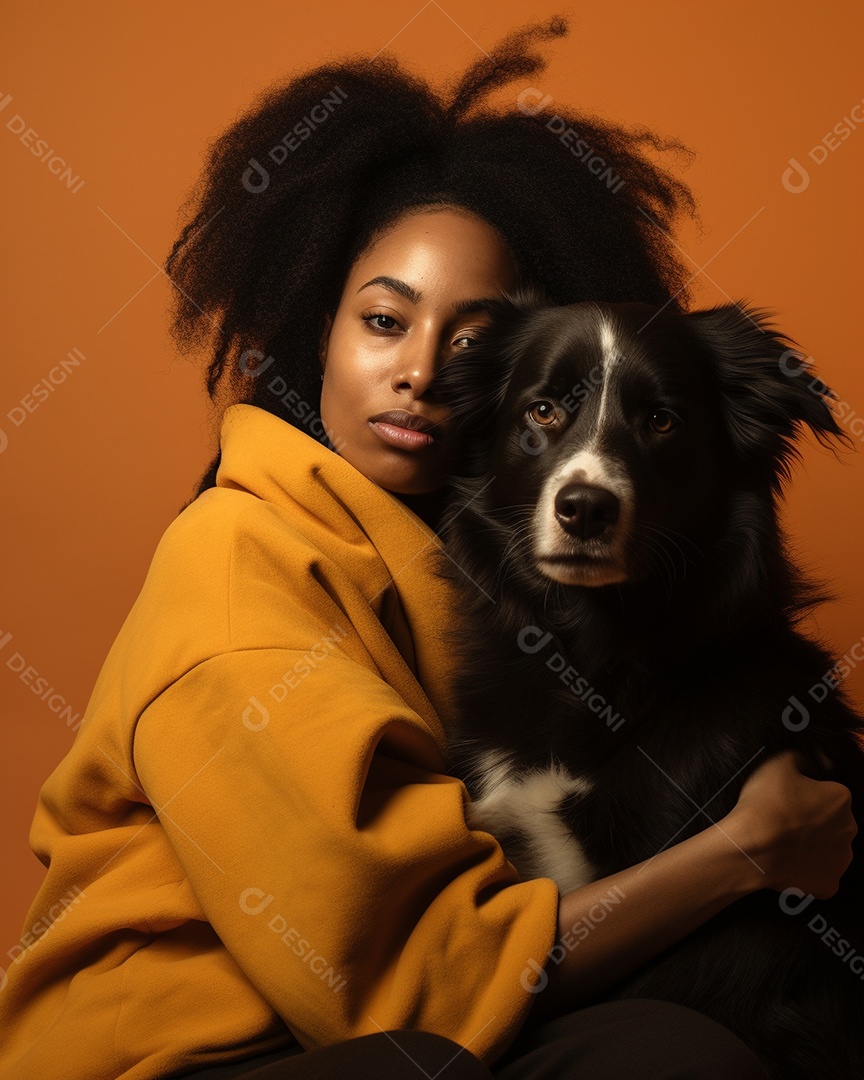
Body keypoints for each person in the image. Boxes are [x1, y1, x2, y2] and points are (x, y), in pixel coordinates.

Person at [0, 17, 855, 1080]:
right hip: (185, 1060)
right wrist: (743, 856)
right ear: (315, 325)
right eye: (383, 321)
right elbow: (419, 985)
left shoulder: (448, 573)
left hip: (374, 1033)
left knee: (680, 1044)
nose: (419, 371)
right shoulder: (236, 570)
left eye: (466, 338)